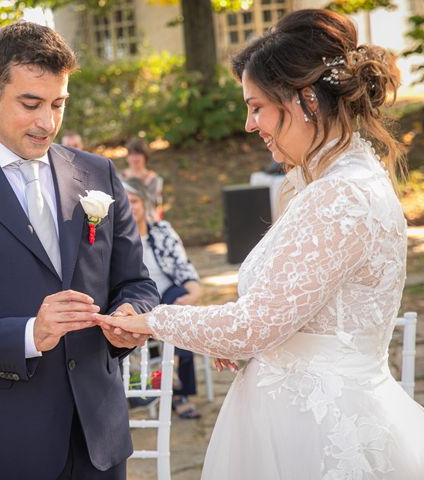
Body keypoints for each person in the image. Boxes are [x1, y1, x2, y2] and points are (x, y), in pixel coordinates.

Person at [97, 9, 424, 479]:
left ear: (306, 98)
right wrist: (255, 334)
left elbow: (253, 326)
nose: (250, 125)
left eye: (256, 107)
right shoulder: (329, 183)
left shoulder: (341, 194)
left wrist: (151, 320)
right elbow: (283, 312)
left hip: (315, 434)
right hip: (294, 409)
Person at [0, 22, 159, 479]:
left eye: (58, 104)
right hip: (5, 442)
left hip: (99, 436)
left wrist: (129, 317)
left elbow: (136, 283)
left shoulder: (99, 174)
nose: (48, 122)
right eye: (31, 104)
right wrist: (27, 334)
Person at [123, 178, 202, 419]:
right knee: (162, 313)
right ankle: (173, 385)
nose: (129, 206)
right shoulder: (117, 238)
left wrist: (195, 291)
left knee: (177, 307)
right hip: (139, 300)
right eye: (124, 202)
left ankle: (174, 383)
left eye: (134, 201)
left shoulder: (162, 231)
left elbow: (183, 267)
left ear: (145, 203)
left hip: (168, 294)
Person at [121, 138, 163, 220]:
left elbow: (156, 205)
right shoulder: (120, 178)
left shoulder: (153, 180)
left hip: (147, 221)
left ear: (145, 156)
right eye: (131, 154)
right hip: (124, 221)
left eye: (138, 154)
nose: (135, 158)